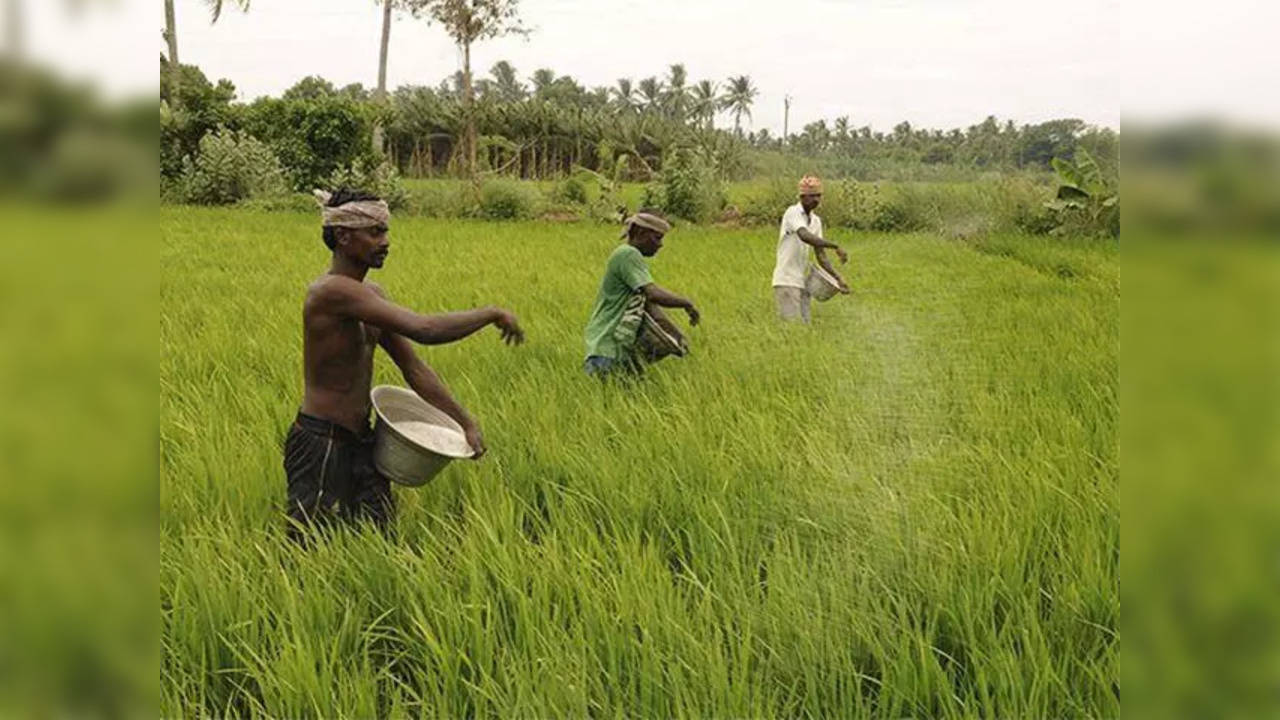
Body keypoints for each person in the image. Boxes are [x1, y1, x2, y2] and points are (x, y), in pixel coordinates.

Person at [284, 188, 525, 540]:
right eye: (375, 232)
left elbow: (413, 367)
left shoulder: (371, 297)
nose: (386, 242)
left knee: (377, 537)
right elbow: (424, 328)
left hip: (360, 439)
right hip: (322, 443)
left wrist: (465, 423)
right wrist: (490, 313)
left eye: (385, 231)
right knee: (309, 548)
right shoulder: (330, 293)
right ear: (343, 236)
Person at [582, 210, 700, 377]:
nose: (660, 245)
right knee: (611, 400)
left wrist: (677, 338)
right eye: (657, 238)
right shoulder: (628, 254)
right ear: (640, 232)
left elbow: (652, 309)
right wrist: (687, 303)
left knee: (625, 399)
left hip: (619, 350)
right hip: (607, 350)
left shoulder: (631, 264)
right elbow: (652, 293)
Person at [771, 175, 851, 322]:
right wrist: (835, 246)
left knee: (804, 326)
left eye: (819, 196)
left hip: (802, 281)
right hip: (786, 281)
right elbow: (804, 236)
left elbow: (821, 255)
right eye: (812, 196)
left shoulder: (816, 221)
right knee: (791, 328)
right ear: (802, 196)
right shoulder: (792, 213)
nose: (816, 200)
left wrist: (838, 278)